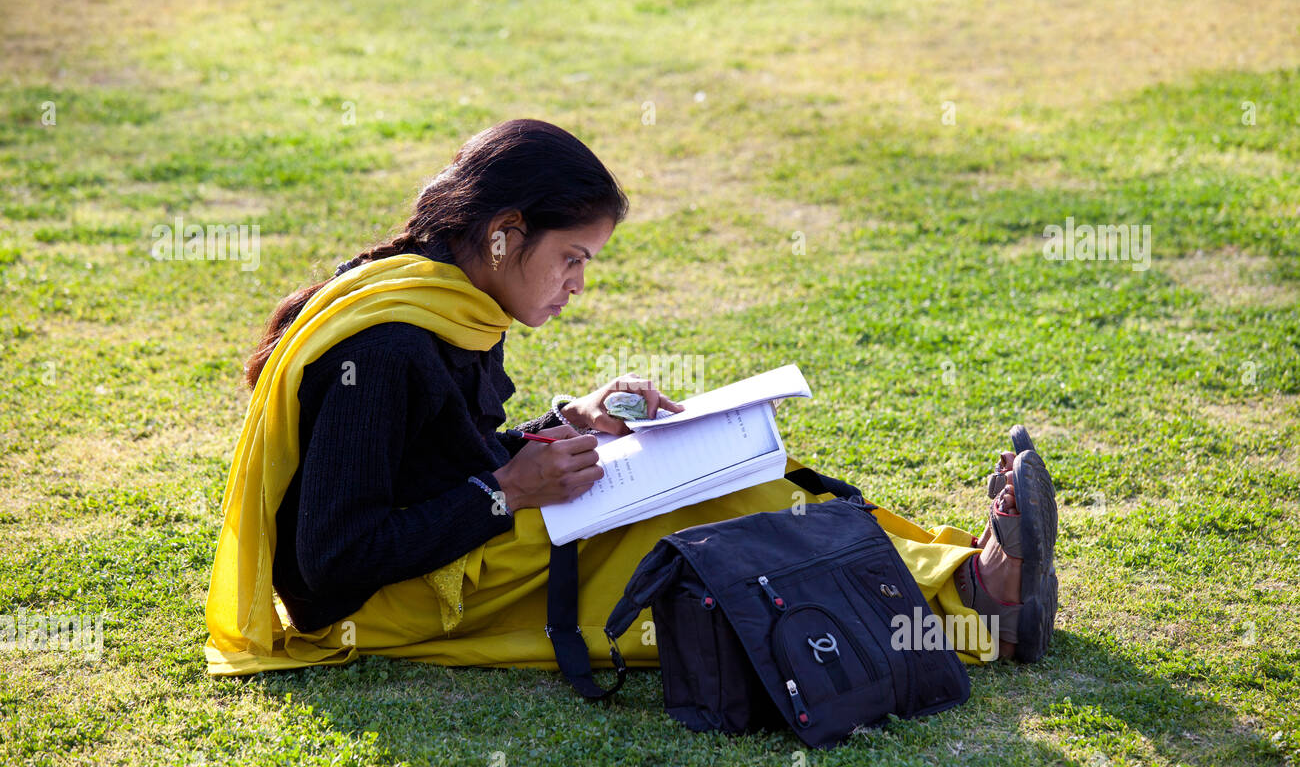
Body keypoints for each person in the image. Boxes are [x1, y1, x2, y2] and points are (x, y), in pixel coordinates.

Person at [204, 118, 1058, 678]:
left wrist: (572, 424)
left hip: (464, 546)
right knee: (702, 527)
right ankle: (976, 604)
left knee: (737, 475)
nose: (577, 284)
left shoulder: (455, 301)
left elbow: (443, 455)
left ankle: (964, 578)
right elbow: (328, 564)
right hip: (393, 602)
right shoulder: (387, 346)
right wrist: (506, 492)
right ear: (503, 236)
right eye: (572, 257)